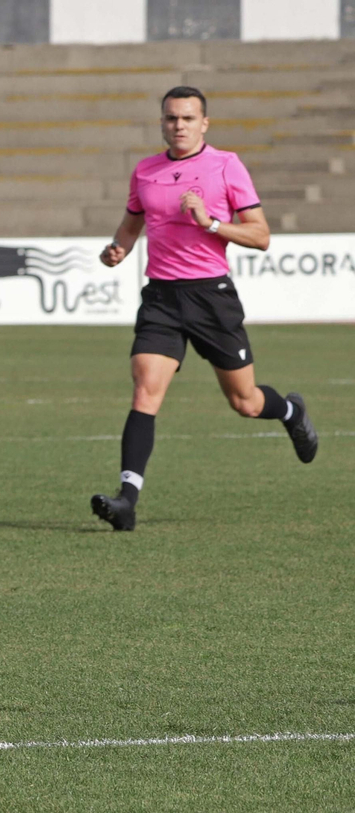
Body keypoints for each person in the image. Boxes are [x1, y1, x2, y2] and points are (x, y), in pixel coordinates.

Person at [93, 86, 317, 532]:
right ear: (162, 122)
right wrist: (119, 247)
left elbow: (261, 236)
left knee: (246, 402)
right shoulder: (146, 170)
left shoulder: (226, 165)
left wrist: (211, 223)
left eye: (188, 119)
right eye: (171, 118)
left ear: (204, 124)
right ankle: (126, 501)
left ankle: (291, 412)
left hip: (211, 297)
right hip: (161, 296)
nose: (179, 126)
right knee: (145, 391)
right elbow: (134, 218)